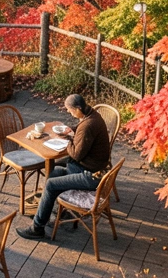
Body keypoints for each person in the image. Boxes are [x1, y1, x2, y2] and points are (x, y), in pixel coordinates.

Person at [17, 94, 111, 241]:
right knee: (54, 172)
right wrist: (72, 130)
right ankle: (50, 210)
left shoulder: (88, 125)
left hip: (90, 176)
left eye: (70, 110)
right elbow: (82, 131)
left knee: (51, 183)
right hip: (93, 168)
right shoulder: (92, 115)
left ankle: (37, 228)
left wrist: (68, 140)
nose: (69, 112)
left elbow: (76, 155)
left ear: (79, 108)